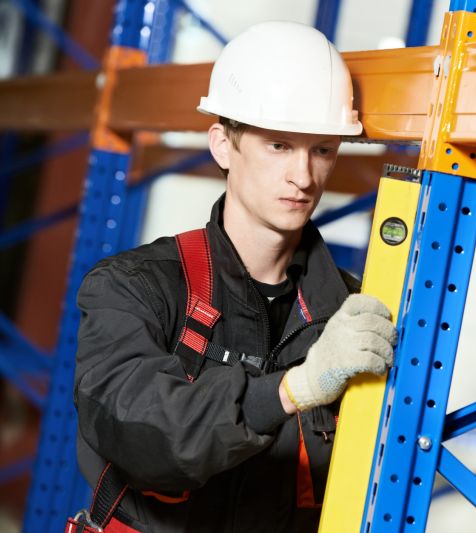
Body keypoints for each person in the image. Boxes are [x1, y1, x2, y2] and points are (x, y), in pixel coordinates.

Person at [73, 21, 396, 532]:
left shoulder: (349, 315)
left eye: (323, 149)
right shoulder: (135, 288)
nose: (304, 176)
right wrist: (298, 387)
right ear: (223, 145)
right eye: (279, 145)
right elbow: (145, 435)